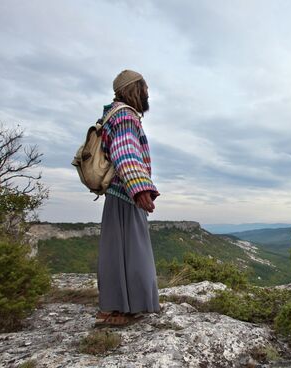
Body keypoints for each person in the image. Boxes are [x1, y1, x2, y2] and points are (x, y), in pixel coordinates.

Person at [94, 69, 162, 327]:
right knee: (132, 249)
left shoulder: (113, 114)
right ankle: (117, 309)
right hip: (125, 193)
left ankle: (120, 305)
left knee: (118, 249)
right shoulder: (124, 115)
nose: (147, 94)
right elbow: (125, 153)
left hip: (117, 192)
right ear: (133, 88)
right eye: (144, 88)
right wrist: (140, 188)